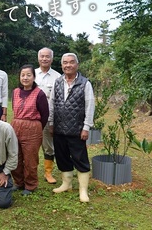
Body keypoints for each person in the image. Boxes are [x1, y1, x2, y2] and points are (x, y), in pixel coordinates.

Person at [48, 53, 95, 202]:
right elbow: (52, 103)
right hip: (59, 128)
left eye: (71, 62)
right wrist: (51, 122)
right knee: (62, 158)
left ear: (77, 65)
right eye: (65, 63)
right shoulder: (57, 82)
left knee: (80, 159)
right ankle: (66, 184)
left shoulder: (85, 83)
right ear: (61, 65)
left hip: (77, 129)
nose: (68, 65)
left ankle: (83, 190)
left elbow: (90, 106)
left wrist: (86, 127)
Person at [11, 64, 49, 195]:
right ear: (19, 77)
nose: (25, 78)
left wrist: (36, 128)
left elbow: (45, 115)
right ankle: (18, 182)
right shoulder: (15, 92)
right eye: (23, 75)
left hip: (33, 127)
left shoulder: (39, 93)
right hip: (16, 126)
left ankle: (30, 185)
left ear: (34, 77)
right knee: (15, 156)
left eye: (28, 75)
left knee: (30, 159)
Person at [35, 47, 61, 184]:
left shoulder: (57, 77)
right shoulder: (32, 74)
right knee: (31, 145)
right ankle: (31, 171)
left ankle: (48, 173)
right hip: (33, 116)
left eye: (47, 56)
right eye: (42, 56)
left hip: (49, 117)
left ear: (52, 59)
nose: (44, 59)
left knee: (48, 145)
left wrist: (53, 121)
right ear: (38, 58)